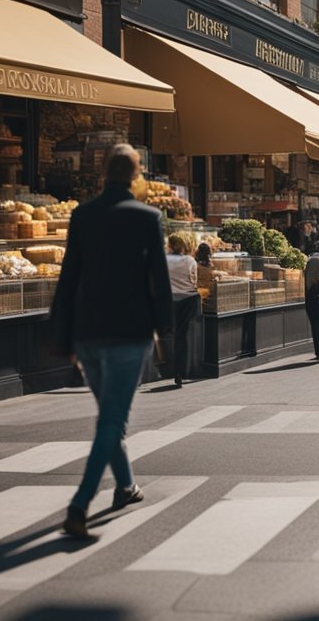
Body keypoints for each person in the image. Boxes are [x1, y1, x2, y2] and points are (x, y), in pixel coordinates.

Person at [51, 144, 172, 539]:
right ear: (136, 176)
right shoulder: (147, 217)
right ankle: (79, 505)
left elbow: (68, 278)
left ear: (103, 172)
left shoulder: (82, 215)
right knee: (112, 420)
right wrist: (165, 328)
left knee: (109, 417)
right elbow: (159, 278)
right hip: (129, 332)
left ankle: (126, 485)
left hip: (87, 332)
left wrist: (63, 333)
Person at [164, 233, 200, 388]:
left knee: (167, 333)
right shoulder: (190, 260)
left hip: (168, 299)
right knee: (182, 334)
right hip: (187, 300)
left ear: (170, 245)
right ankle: (180, 371)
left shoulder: (163, 259)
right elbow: (194, 281)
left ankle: (166, 368)